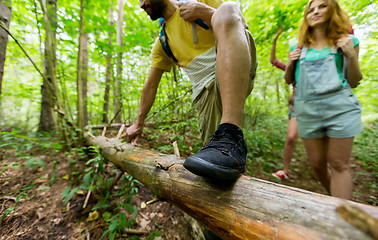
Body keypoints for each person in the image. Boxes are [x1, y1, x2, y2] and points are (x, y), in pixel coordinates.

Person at [126, 0, 257, 183]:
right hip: (206, 95)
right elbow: (150, 86)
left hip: (236, 69)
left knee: (227, 8)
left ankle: (231, 132)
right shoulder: (163, 42)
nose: (141, 5)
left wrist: (205, 12)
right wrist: (138, 123)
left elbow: (238, 23)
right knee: (218, 169)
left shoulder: (200, 2)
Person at [284, 0, 363, 200]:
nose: (316, 11)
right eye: (311, 9)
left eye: (322, 6)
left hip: (340, 108)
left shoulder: (348, 41)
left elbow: (354, 81)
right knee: (318, 165)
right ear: (306, 17)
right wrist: (291, 63)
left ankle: (342, 217)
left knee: (338, 164)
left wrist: (351, 55)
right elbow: (288, 80)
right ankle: (337, 203)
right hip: (307, 109)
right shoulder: (297, 47)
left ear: (333, 10)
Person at [270, 26, 298, 180]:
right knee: (291, 137)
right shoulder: (291, 69)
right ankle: (285, 171)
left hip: (319, 105)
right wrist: (274, 42)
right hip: (297, 104)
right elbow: (273, 61)